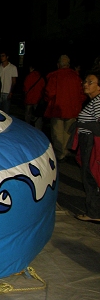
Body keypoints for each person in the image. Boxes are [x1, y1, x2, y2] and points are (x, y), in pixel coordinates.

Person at [44, 54, 86, 162]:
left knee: (57, 132)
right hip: (72, 110)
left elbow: (50, 92)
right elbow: (82, 94)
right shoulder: (76, 77)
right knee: (68, 132)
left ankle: (60, 153)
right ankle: (66, 151)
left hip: (58, 109)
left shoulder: (55, 76)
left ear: (58, 64)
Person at [71, 69, 100, 223]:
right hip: (88, 140)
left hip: (91, 141)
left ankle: (94, 212)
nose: (86, 84)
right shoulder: (93, 101)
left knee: (90, 176)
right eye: (85, 81)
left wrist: (83, 124)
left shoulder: (98, 101)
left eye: (91, 82)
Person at [23, 64, 45, 130]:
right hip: (37, 100)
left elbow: (25, 88)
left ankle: (27, 128)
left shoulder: (29, 77)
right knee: (37, 116)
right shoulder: (41, 78)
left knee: (28, 115)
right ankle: (38, 129)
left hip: (29, 99)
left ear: (31, 68)